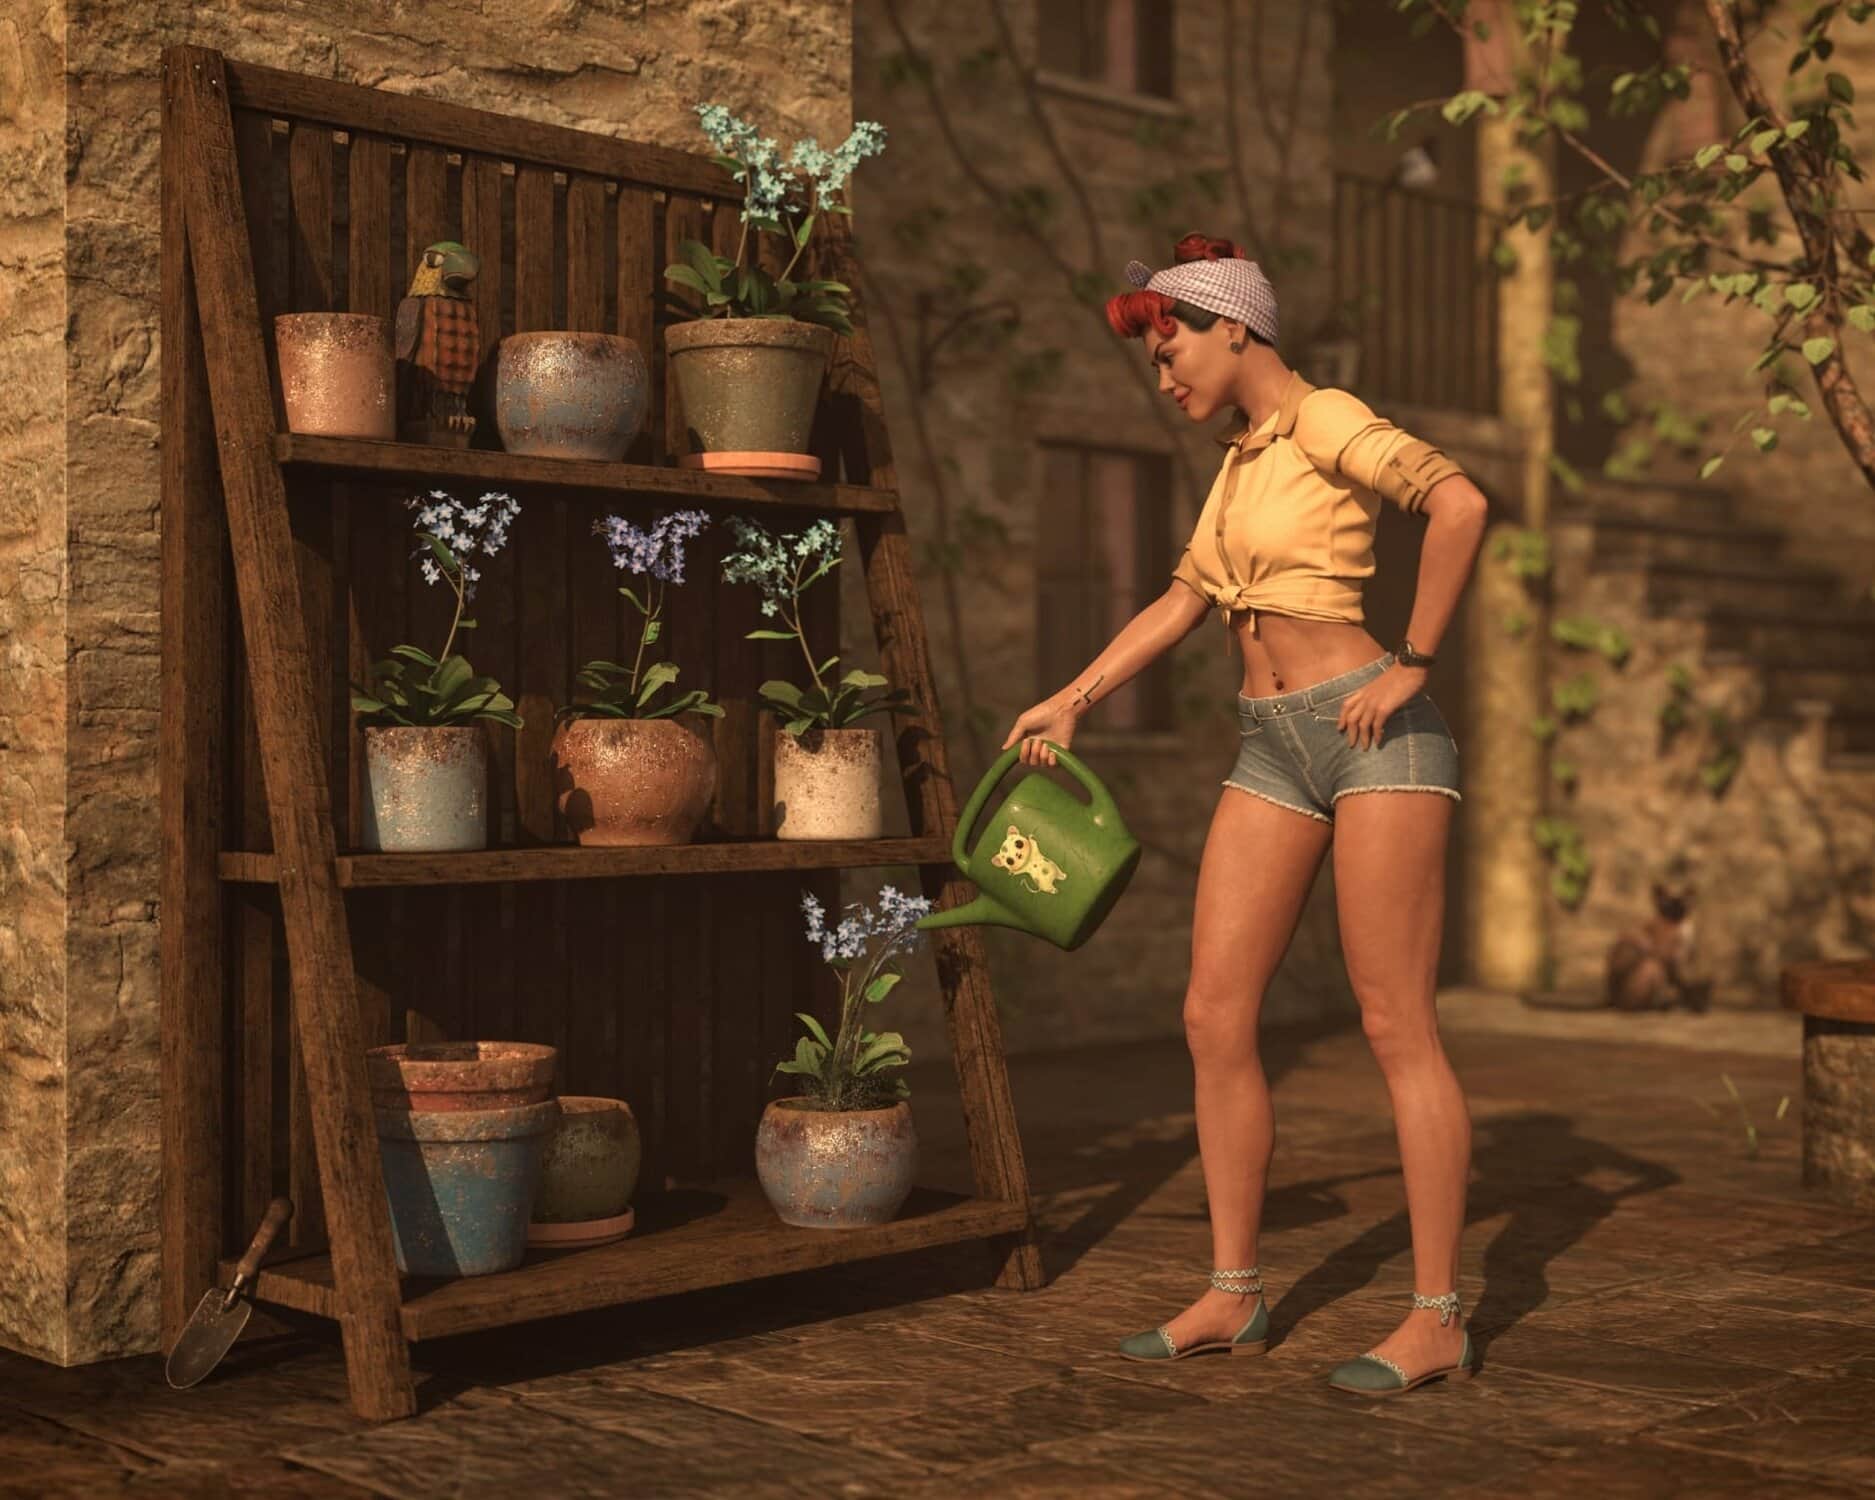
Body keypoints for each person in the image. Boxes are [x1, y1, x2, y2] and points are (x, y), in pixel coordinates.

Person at [999, 233, 1490, 1397]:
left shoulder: (1323, 416)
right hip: (1271, 744)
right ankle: (1234, 1292)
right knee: (1214, 1015)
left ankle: (1437, 1316)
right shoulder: (1237, 462)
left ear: (1235, 327)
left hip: (1374, 734)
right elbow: (1183, 600)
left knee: (1392, 1022)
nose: (1161, 372)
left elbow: (1459, 503)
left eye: (1171, 344)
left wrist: (1415, 660)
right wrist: (1072, 701)